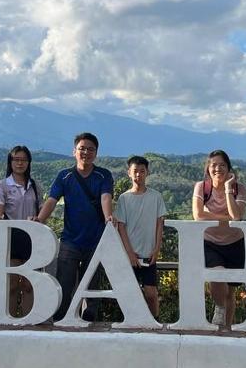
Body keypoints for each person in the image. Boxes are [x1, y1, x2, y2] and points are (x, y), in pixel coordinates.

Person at [35, 132, 114, 322]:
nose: (86, 152)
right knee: (65, 281)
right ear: (74, 151)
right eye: (82, 148)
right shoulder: (65, 176)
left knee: (92, 282)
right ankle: (61, 318)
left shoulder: (103, 175)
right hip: (70, 239)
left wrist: (108, 218)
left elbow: (105, 197)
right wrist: (40, 219)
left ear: (96, 153)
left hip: (96, 239)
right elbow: (52, 200)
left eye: (90, 149)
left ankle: (90, 319)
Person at [192, 149, 246, 330]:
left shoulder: (239, 189)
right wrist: (225, 217)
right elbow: (198, 215)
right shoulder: (202, 187)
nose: (217, 169)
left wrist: (228, 190)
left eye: (222, 165)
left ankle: (226, 329)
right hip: (210, 242)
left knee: (230, 291)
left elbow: (236, 216)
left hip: (235, 243)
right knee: (216, 275)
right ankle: (219, 308)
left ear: (229, 168)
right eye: (214, 165)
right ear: (208, 169)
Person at [0, 145, 42, 317]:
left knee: (29, 284)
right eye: (16, 159)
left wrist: (39, 218)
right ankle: (9, 321)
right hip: (11, 238)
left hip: (32, 238)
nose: (20, 163)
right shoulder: (3, 185)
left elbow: (42, 210)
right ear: (10, 162)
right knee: (11, 283)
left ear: (29, 162)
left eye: (24, 160)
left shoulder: (35, 185)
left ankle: (29, 321)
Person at [115, 155, 167, 317]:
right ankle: (132, 325)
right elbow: (121, 227)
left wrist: (157, 249)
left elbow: (160, 223)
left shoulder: (156, 196)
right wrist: (129, 253)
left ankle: (155, 323)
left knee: (151, 293)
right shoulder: (124, 198)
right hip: (130, 255)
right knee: (129, 294)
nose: (138, 174)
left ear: (147, 172)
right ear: (129, 173)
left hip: (148, 255)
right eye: (135, 171)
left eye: (142, 171)